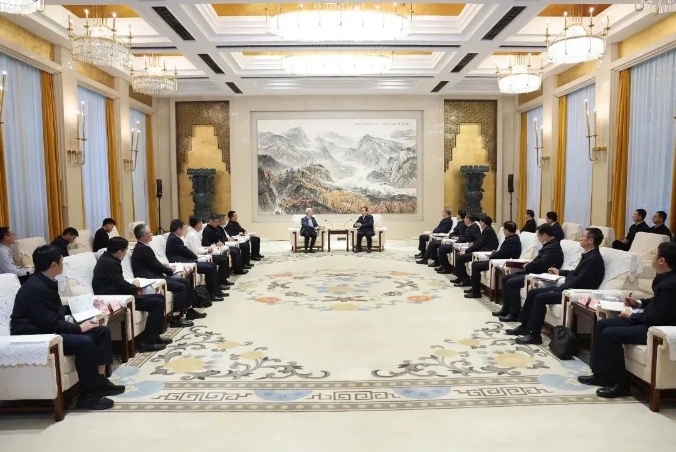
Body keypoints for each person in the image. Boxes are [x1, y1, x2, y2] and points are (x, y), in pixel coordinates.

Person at [10, 245, 124, 410]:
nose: (63, 263)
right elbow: (48, 322)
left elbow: (54, 310)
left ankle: (100, 382)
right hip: (36, 335)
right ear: (54, 264)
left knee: (101, 331)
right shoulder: (35, 288)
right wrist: (78, 328)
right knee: (85, 342)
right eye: (62, 260)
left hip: (46, 328)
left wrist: (80, 307)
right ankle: (88, 397)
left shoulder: (45, 280)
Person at [578, 242, 676, 398]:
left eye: (654, 254)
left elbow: (658, 317)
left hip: (656, 328)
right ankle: (601, 375)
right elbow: (657, 301)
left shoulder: (671, 284)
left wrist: (631, 315)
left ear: (662, 260)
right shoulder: (665, 277)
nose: (652, 257)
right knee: (602, 324)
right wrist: (638, 303)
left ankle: (620, 385)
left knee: (610, 334)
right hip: (648, 319)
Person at [508, 228, 606, 344]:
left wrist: (558, 289)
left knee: (540, 298)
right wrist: (560, 272)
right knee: (533, 292)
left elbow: (580, 281)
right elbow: (575, 273)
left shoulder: (594, 259)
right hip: (568, 287)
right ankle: (524, 326)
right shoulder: (589, 255)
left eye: (583, 236)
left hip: (576, 292)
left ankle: (534, 335)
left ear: (591, 240)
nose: (580, 238)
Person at [92, 237, 167, 353]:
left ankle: (155, 336)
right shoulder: (110, 263)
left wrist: (132, 286)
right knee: (157, 303)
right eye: (125, 251)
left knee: (160, 297)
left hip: (119, 293)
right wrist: (134, 286)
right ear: (119, 252)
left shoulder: (108, 259)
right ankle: (147, 343)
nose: (125, 253)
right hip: (116, 298)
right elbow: (122, 286)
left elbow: (119, 282)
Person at [131, 224, 204, 327]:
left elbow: (153, 263)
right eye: (149, 232)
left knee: (185, 282)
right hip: (152, 278)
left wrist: (164, 266)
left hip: (155, 274)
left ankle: (190, 310)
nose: (152, 234)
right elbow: (155, 265)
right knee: (181, 287)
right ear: (143, 236)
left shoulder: (143, 247)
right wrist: (169, 270)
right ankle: (175, 318)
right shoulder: (142, 249)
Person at [495, 224, 564, 321]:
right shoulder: (549, 245)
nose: (538, 239)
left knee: (511, 282)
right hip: (534, 271)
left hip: (539, 274)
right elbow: (538, 261)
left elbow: (541, 265)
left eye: (538, 236)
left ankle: (514, 314)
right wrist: (528, 265)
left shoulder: (553, 248)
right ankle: (506, 309)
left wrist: (527, 266)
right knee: (506, 278)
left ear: (545, 235)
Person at [166, 218, 227, 301]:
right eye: (183, 229)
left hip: (187, 261)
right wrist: (195, 257)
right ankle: (213, 293)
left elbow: (186, 251)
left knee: (212, 265)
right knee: (210, 267)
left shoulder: (175, 237)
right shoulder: (174, 239)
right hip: (182, 263)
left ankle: (216, 291)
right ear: (178, 229)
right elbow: (186, 251)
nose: (184, 231)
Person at [464, 221, 522, 299]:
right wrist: (495, 253)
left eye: (504, 229)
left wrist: (492, 255)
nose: (503, 231)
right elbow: (503, 252)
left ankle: (476, 293)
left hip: (501, 262)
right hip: (499, 259)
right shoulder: (513, 239)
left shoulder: (511, 241)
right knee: (475, 264)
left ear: (507, 230)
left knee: (475, 266)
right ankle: (474, 288)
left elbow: (503, 254)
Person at [450, 215, 499, 287]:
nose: (480, 224)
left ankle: (465, 280)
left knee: (460, 258)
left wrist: (466, 251)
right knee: (459, 255)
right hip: (481, 250)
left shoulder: (488, 230)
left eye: (480, 222)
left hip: (483, 252)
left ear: (483, 223)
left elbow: (479, 244)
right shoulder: (487, 229)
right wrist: (473, 243)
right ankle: (460, 277)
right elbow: (480, 242)